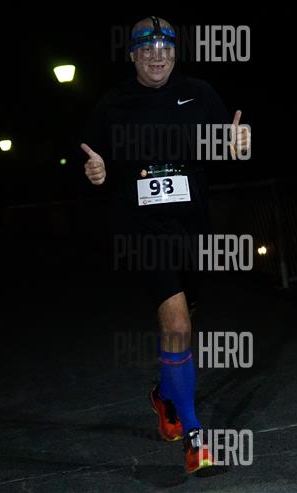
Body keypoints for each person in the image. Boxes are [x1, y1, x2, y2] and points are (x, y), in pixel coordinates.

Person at [81, 16, 249, 473]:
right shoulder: (112, 104)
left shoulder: (200, 93)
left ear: (175, 52)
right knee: (175, 320)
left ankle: (164, 395)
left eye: (165, 47)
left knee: (184, 320)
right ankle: (194, 437)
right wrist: (96, 173)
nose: (157, 56)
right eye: (147, 48)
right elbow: (90, 162)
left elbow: (225, 147)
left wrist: (236, 144)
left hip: (190, 225)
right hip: (140, 227)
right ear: (132, 54)